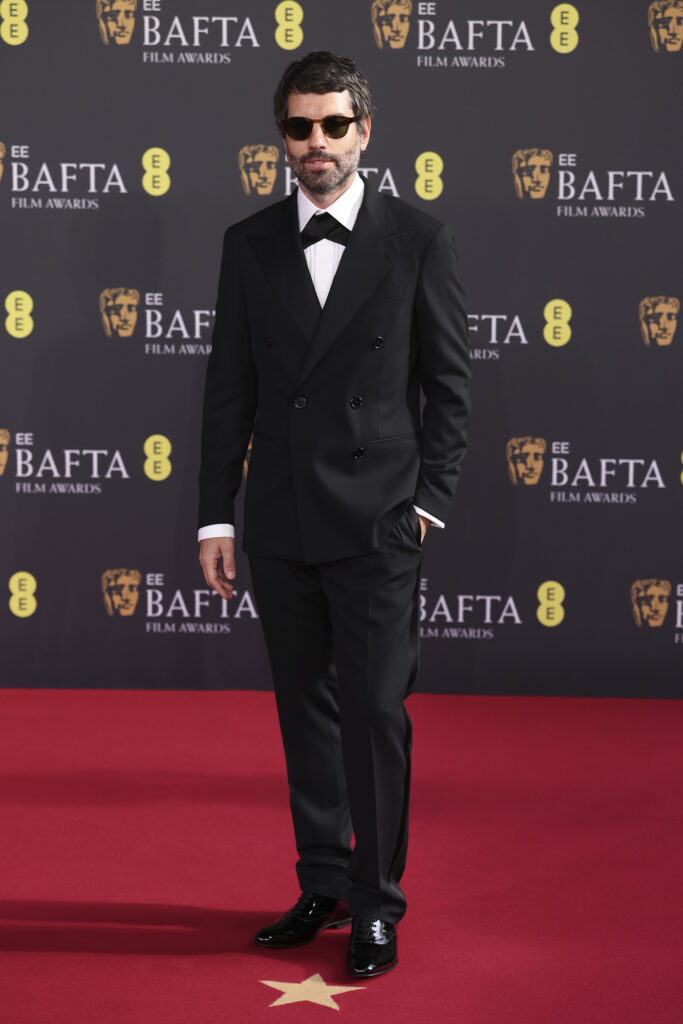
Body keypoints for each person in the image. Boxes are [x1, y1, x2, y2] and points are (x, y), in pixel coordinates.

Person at [198, 51, 470, 979]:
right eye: (298, 127)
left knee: (371, 711)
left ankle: (375, 902)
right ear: (281, 135)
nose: (315, 143)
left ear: (364, 130)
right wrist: (213, 519)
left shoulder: (417, 240)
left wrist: (427, 505)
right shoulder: (248, 242)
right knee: (302, 709)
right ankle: (320, 877)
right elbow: (226, 394)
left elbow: (449, 386)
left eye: (333, 125)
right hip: (277, 519)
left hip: (378, 521)